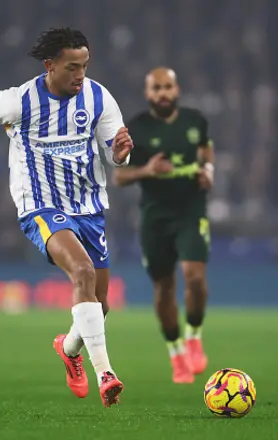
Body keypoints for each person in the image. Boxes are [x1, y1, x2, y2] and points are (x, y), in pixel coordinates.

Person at [0, 28, 133, 407]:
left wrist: (122, 153)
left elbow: (113, 154)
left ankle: (70, 349)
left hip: (90, 207)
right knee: (82, 272)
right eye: (72, 67)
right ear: (50, 66)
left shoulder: (99, 98)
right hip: (41, 206)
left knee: (100, 303)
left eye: (84, 66)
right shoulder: (20, 101)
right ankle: (106, 375)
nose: (80, 75)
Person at [112, 67, 213, 384]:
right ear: (147, 93)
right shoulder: (136, 128)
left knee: (194, 275)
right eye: (156, 88)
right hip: (155, 216)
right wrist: (147, 171)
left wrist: (208, 171)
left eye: (167, 87)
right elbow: (118, 177)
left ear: (177, 89)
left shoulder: (195, 120)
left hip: (191, 209)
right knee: (164, 287)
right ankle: (176, 353)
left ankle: (194, 335)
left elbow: (207, 153)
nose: (163, 93)